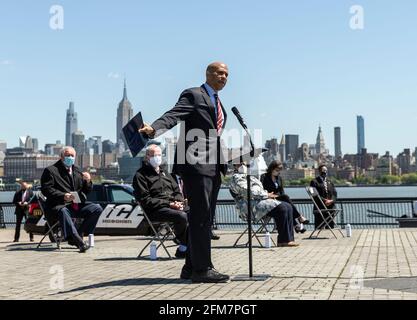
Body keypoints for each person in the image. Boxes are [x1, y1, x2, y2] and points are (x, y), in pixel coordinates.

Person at [140, 62, 229, 283]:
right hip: (196, 164)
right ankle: (203, 269)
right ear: (208, 74)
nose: (224, 77)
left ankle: (190, 267)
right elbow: (173, 115)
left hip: (213, 167)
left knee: (205, 218)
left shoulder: (218, 102)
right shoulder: (194, 94)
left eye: (227, 74)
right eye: (220, 73)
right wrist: (154, 129)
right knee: (200, 218)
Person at [40, 146, 102, 253]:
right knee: (63, 211)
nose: (70, 157)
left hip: (75, 205)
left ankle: (78, 234)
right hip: (58, 206)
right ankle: (79, 241)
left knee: (97, 208)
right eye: (67, 155)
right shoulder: (50, 170)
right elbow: (46, 190)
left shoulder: (77, 170)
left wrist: (88, 181)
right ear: (61, 157)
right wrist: (63, 195)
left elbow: (86, 190)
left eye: (72, 156)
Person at [133, 145, 188, 259]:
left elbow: (176, 190)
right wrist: (169, 204)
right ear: (147, 157)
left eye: (159, 155)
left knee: (196, 213)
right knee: (182, 216)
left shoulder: (165, 173)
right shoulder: (140, 175)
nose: (157, 157)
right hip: (155, 210)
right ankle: (183, 246)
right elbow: (146, 200)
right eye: (154, 155)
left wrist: (179, 202)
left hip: (173, 207)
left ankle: (186, 245)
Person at [230, 163, 299, 247]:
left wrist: (266, 193)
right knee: (282, 208)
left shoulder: (251, 177)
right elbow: (247, 192)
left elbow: (260, 190)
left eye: (246, 164)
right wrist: (267, 195)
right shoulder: (236, 178)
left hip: (260, 202)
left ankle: (289, 239)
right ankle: (283, 240)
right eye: (241, 164)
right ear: (235, 166)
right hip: (249, 207)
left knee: (288, 206)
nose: (244, 166)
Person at [262, 161, 309, 233]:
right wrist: (269, 194)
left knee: (288, 206)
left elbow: (282, 191)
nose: (278, 172)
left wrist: (280, 197)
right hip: (269, 199)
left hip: (279, 198)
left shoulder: (279, 178)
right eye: (277, 170)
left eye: (279, 171)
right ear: (272, 168)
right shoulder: (264, 177)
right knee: (286, 198)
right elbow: (261, 190)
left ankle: (297, 226)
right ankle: (299, 218)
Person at [310, 165, 338, 229]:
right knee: (319, 227)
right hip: (320, 207)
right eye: (323, 170)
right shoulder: (314, 182)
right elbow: (314, 195)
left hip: (330, 207)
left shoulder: (330, 181)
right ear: (319, 171)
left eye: (326, 170)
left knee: (331, 226)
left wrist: (331, 200)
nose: (325, 172)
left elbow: (335, 193)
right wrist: (325, 201)